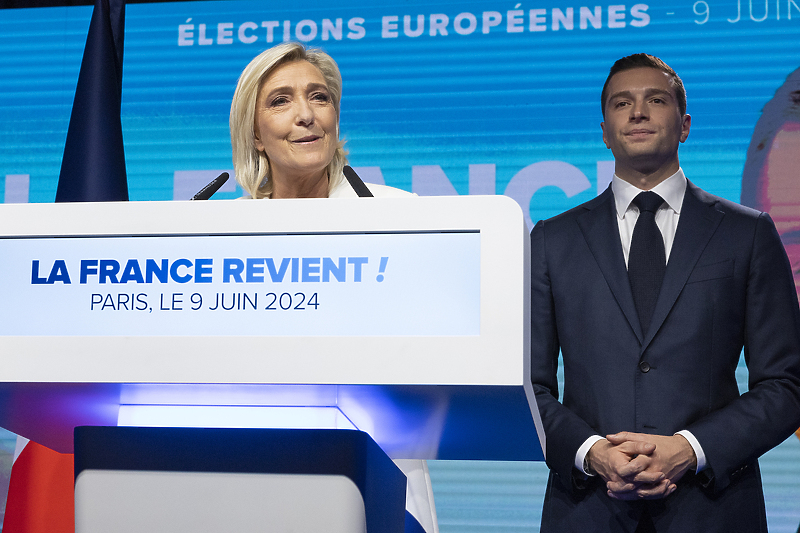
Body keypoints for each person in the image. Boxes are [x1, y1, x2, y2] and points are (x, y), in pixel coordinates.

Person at [530, 53, 800, 532]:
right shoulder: (553, 240)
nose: (638, 112)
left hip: (713, 510)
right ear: (605, 129)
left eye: (655, 100)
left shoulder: (747, 233)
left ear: (685, 125)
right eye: (621, 104)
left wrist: (691, 449)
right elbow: (529, 386)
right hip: (588, 510)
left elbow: (786, 384)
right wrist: (592, 453)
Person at [228, 42, 437, 533]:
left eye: (318, 97)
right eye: (280, 101)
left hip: (377, 468)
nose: (305, 115)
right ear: (255, 134)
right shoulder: (225, 235)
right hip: (254, 466)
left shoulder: (401, 217)